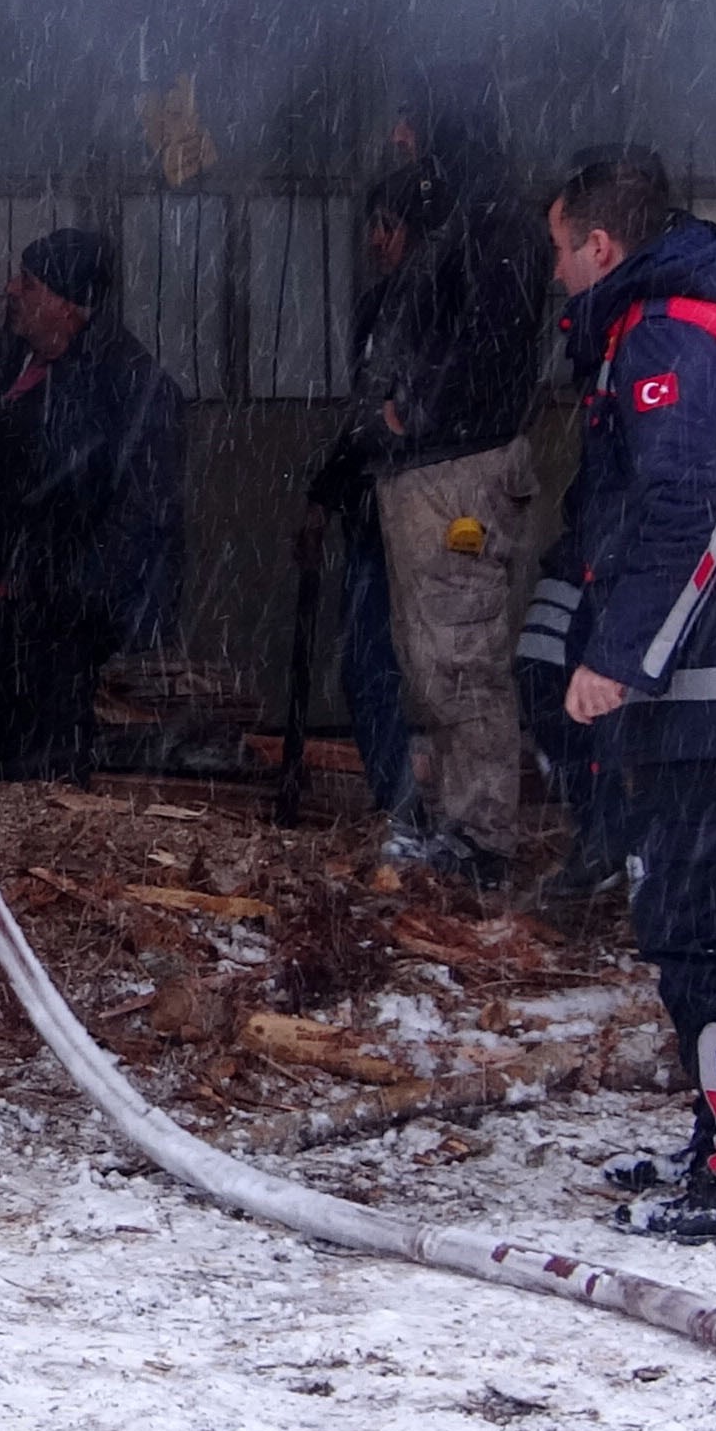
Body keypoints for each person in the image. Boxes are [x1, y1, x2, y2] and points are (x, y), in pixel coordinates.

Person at [541, 144, 716, 1246]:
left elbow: (700, 502)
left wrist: (622, 659)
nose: (556, 276)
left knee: (702, 931)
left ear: (601, 247)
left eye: (560, 251)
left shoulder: (666, 333)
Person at [336, 120, 551, 890]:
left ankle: (482, 836)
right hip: (426, 470)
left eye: (412, 126)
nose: (398, 138)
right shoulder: (462, 221)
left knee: (460, 659)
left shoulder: (492, 224)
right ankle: (459, 828)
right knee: (433, 661)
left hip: (454, 474)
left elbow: (491, 344)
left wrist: (412, 411)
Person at [0, 228, 185, 784]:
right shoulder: (10, 356)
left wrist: (71, 594)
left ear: (68, 305)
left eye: (29, 283)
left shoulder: (130, 383)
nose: (12, 289)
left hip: (58, 619)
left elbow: (143, 508)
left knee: (43, 764)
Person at [312, 167, 444, 838]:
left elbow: (409, 411)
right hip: (371, 510)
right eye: (374, 227)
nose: (375, 241)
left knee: (441, 667)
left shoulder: (440, 303)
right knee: (366, 663)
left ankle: (428, 814)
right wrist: (325, 493)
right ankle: (398, 806)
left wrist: (399, 429)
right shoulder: (377, 307)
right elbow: (363, 417)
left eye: (387, 227)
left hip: (425, 505)